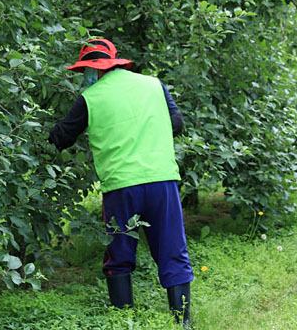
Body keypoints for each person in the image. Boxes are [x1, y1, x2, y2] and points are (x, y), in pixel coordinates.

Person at [48, 39, 193, 327]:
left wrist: (42, 137)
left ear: (91, 68)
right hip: (161, 180)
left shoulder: (90, 98)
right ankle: (183, 323)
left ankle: (123, 320)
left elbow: (62, 137)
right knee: (172, 250)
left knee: (119, 253)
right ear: (115, 61)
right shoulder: (154, 85)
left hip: (121, 187)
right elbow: (177, 124)